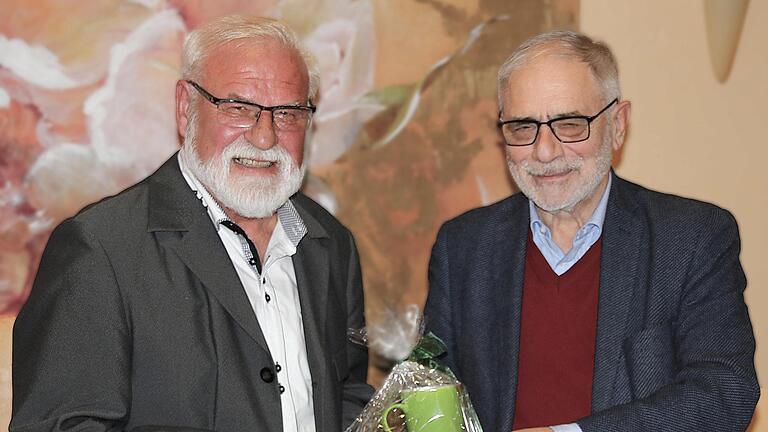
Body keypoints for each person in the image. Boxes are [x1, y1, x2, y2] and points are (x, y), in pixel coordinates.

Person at [12, 15, 372, 432]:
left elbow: (344, 395)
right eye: (239, 108)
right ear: (186, 109)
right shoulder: (101, 249)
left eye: (288, 113)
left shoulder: (330, 243)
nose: (265, 137)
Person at [424, 30, 759, 432]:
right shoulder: (464, 246)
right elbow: (433, 389)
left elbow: (725, 394)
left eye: (569, 124)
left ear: (617, 125)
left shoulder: (691, 238)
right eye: (522, 127)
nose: (544, 151)